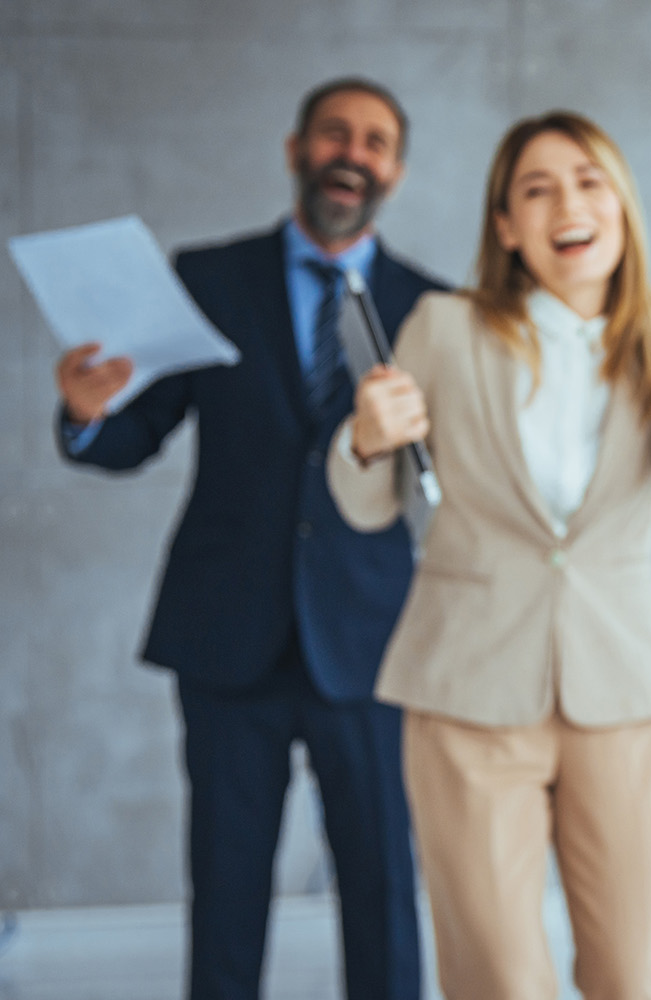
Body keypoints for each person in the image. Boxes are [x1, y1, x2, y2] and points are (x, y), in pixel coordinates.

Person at [329, 110, 651, 1000]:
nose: (566, 203)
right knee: (497, 975)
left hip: (618, 692)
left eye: (587, 180)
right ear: (506, 226)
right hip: (466, 692)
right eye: (535, 189)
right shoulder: (444, 328)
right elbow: (368, 503)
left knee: (631, 974)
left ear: (620, 204)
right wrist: (363, 440)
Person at [50, 78, 439, 1000]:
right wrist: (84, 415)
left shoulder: (434, 309)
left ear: (396, 169)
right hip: (226, 638)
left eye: (374, 141)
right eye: (334, 133)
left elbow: (446, 484)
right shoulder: (205, 280)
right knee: (226, 882)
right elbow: (133, 434)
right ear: (296, 148)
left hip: (373, 640)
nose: (353, 152)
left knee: (384, 883)